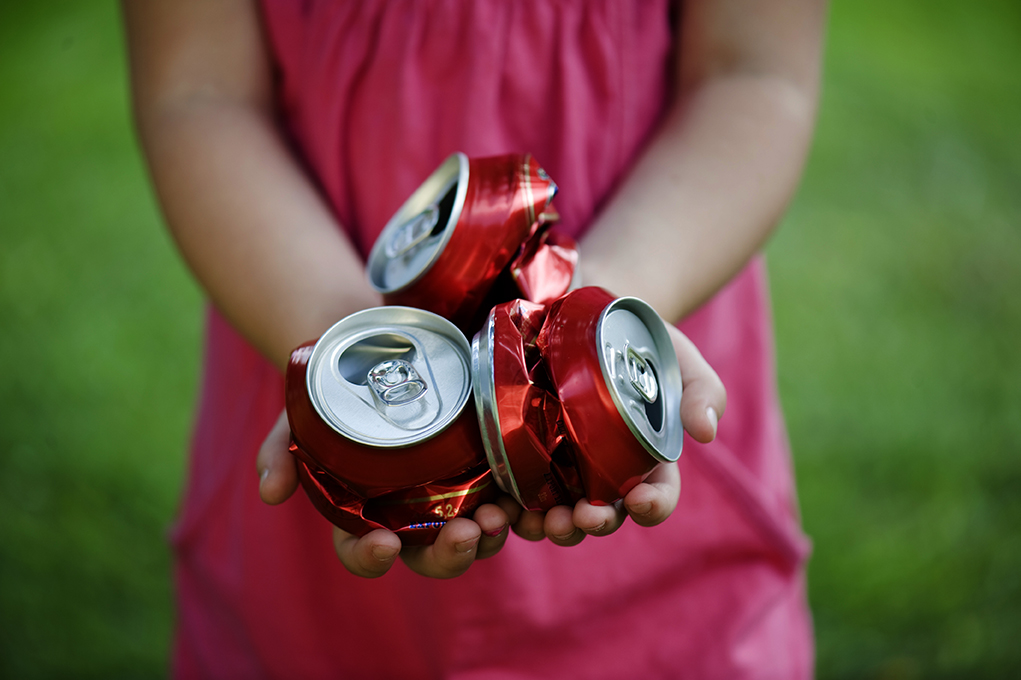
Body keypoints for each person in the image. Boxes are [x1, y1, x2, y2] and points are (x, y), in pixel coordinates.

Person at [123, 0, 826, 677]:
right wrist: (336, 338)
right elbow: (198, 94)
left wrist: (601, 304)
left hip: (658, 273)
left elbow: (754, 75)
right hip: (288, 297)